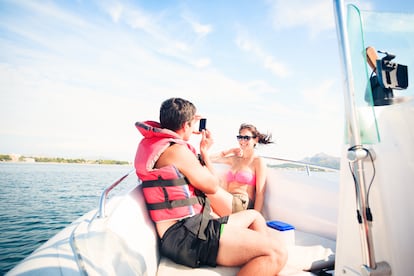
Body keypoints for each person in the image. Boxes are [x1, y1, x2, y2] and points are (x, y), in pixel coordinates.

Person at [134, 97, 287, 275]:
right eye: (192, 125)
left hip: (187, 230)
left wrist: (197, 140)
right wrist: (205, 149)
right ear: (185, 125)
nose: (193, 130)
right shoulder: (176, 151)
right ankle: (266, 258)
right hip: (188, 237)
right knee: (278, 253)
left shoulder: (159, 146)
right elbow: (212, 186)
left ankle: (262, 262)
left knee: (255, 216)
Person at [210, 124, 272, 213]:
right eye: (240, 137)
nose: (242, 140)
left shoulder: (258, 161)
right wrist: (228, 151)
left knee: (208, 190)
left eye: (246, 137)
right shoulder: (234, 159)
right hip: (228, 198)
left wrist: (255, 216)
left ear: (256, 140)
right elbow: (209, 158)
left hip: (242, 202)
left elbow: (260, 193)